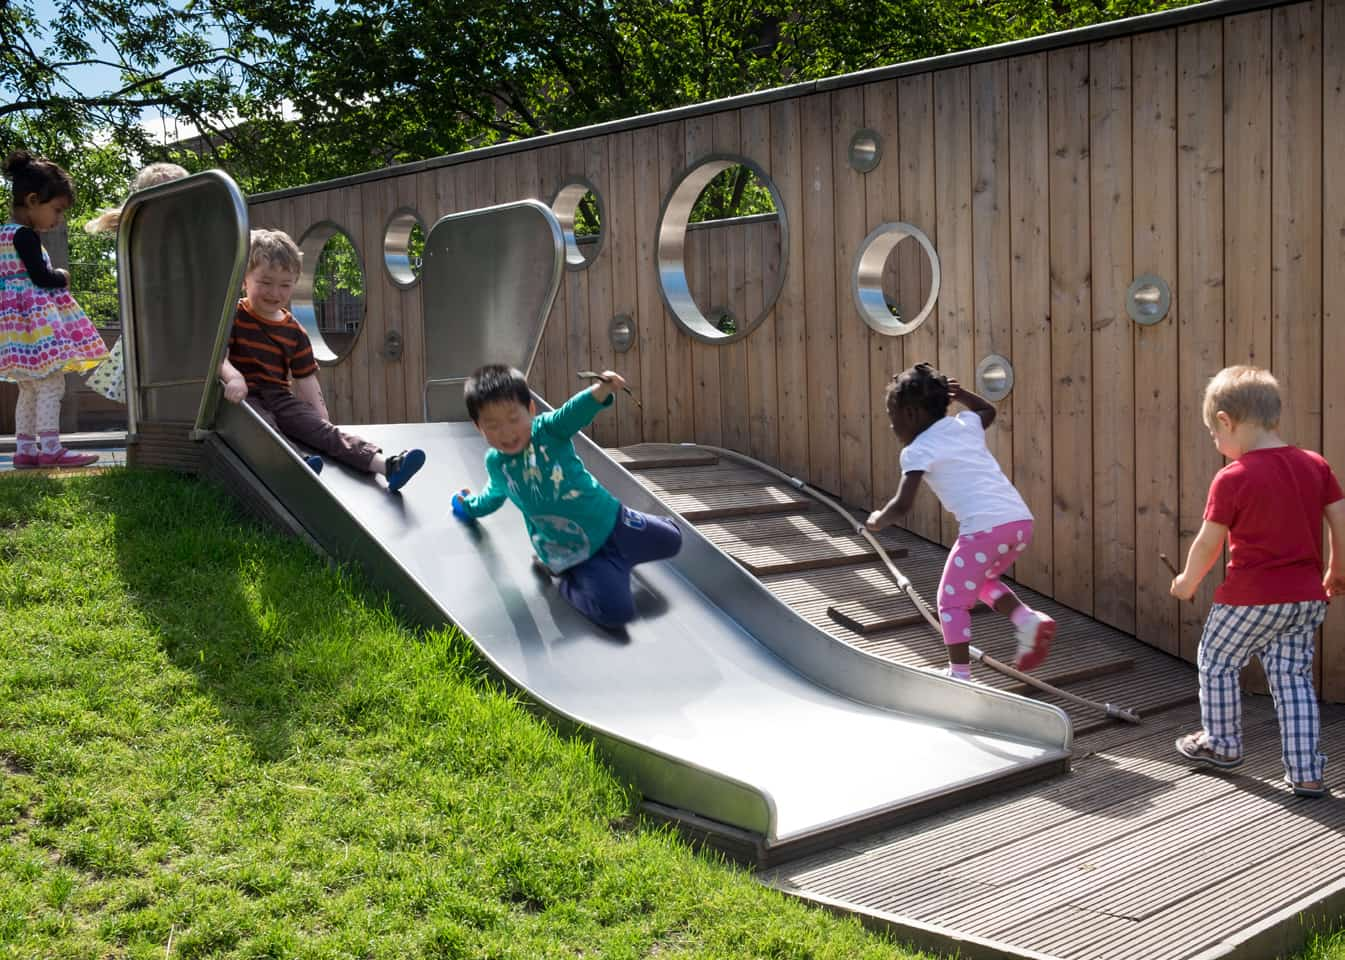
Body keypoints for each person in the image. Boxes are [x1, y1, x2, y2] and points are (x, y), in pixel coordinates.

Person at [1170, 365, 1343, 799]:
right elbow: (1339, 518)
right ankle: (1306, 771)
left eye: (1214, 434)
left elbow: (1210, 542)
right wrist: (1337, 569)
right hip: (1306, 598)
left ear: (1226, 421)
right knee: (1292, 677)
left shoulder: (1234, 477)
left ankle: (1222, 745)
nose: (1216, 443)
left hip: (1249, 599)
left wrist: (1187, 581)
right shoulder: (1314, 465)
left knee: (1217, 661)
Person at [451, 364, 682, 629]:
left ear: (531, 410)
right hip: (577, 551)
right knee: (616, 614)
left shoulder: (549, 431)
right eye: (492, 425)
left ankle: (622, 558)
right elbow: (492, 496)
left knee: (673, 540)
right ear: (478, 426)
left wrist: (600, 390)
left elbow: (573, 413)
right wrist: (467, 507)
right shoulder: (497, 464)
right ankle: (567, 580)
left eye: (513, 419)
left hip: (613, 520)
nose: (506, 432)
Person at [866, 362, 1055, 680]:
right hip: (1019, 523)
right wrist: (964, 394)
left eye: (892, 418)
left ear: (910, 414)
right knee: (981, 582)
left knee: (950, 601)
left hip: (984, 530)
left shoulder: (917, 450)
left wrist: (877, 521)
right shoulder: (963, 425)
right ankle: (1026, 620)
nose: (891, 427)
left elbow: (902, 505)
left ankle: (959, 674)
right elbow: (988, 411)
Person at [217, 228, 424, 491]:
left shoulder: (294, 332)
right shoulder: (233, 315)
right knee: (263, 425)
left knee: (324, 433)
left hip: (280, 398)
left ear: (294, 283)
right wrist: (233, 377)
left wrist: (321, 418)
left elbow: (305, 379)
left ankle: (387, 465)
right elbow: (219, 358)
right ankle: (297, 463)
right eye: (265, 282)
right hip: (245, 398)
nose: (274, 292)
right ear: (244, 279)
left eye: (285, 285)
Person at [1, 150, 108, 468]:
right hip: (37, 330)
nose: (58, 219)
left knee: (28, 388)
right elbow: (41, 278)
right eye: (57, 210)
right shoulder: (25, 237)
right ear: (33, 200)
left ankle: (26, 450)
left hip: (16, 334)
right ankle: (50, 447)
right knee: (51, 384)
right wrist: (61, 276)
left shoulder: (3, 235)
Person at [82, 162, 190, 404]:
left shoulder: (184, 233)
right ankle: (144, 426)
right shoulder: (140, 234)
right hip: (153, 321)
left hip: (170, 318)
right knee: (149, 379)